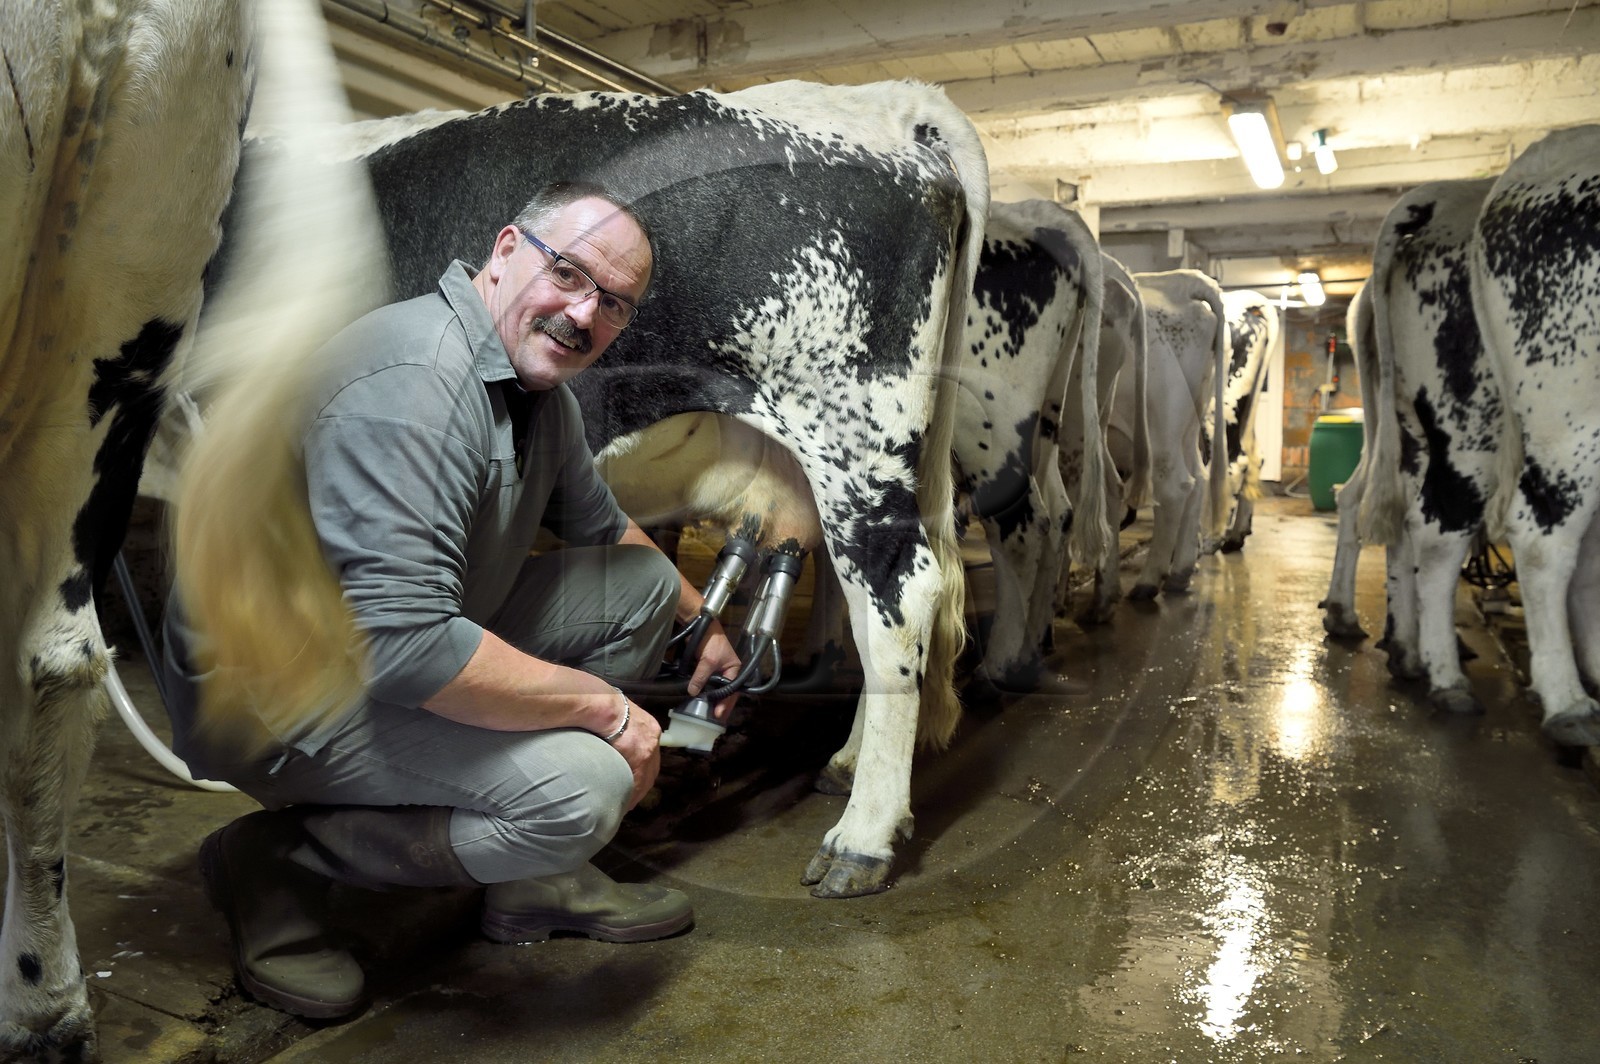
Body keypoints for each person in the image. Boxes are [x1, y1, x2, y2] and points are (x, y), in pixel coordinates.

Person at [161, 181, 741, 1020]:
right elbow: (403, 645)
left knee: (642, 588)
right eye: (569, 274)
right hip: (269, 696)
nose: (585, 315)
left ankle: (527, 880)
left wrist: (704, 622)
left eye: (614, 303)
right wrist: (607, 713)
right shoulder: (419, 385)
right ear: (507, 250)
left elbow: (604, 527)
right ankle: (283, 860)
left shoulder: (535, 391)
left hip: (374, 649)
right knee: (582, 788)